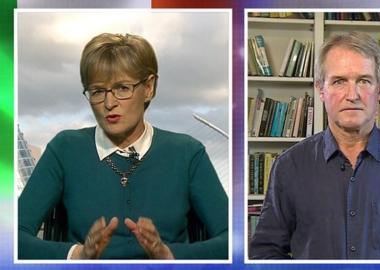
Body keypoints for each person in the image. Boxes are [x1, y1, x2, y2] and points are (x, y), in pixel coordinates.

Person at [18, 33, 228, 259]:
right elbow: (11, 238)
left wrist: (169, 255)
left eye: (122, 88)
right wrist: (78, 255)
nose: (109, 103)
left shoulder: (187, 153)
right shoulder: (65, 149)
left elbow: (233, 240)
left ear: (149, 87)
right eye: (98, 91)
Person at [249, 31, 380, 259]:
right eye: (339, 81)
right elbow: (266, 253)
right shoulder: (289, 166)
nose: (352, 95)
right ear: (320, 89)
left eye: (364, 81)